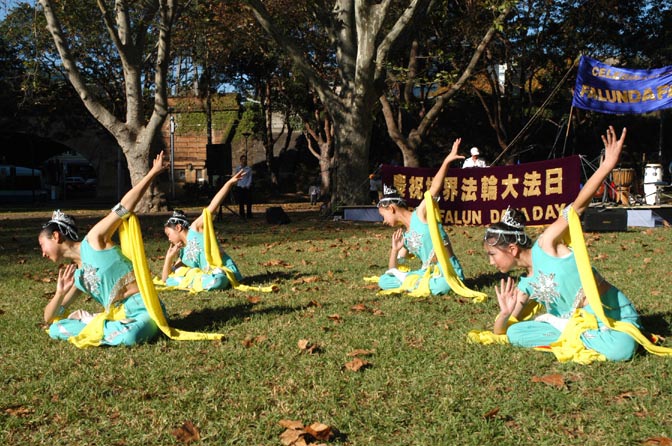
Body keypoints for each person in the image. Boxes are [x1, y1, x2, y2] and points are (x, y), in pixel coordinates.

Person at [480, 126, 672, 362]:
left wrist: (606, 167)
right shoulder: (526, 285)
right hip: (576, 325)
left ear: (512, 249)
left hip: (608, 314)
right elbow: (503, 332)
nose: (491, 262)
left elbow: (577, 208)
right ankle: (573, 331)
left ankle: (572, 331)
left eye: (492, 254)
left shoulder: (546, 243)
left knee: (621, 349)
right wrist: (504, 314)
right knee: (516, 333)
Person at [39, 152, 168, 347]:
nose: (42, 253)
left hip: (144, 309)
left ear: (56, 236)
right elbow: (49, 318)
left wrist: (152, 173)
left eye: (42, 245)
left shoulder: (94, 240)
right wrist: (59, 293)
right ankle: (105, 327)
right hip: (117, 317)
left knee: (130, 336)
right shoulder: (78, 277)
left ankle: (99, 327)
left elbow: (124, 207)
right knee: (56, 329)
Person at [376, 138, 483, 298]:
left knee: (440, 284)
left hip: (446, 271)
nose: (383, 221)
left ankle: (415, 283)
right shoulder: (405, 236)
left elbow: (434, 188)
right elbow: (392, 270)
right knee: (384, 281)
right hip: (427, 273)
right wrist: (394, 250)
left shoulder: (420, 213)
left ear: (391, 209)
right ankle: (416, 283)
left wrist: (447, 161)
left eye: (382, 215)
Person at [161, 170, 246, 292]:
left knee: (218, 278)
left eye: (169, 234)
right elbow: (165, 280)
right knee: (174, 279)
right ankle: (202, 281)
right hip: (208, 276)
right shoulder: (183, 254)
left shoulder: (195, 228)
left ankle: (208, 280)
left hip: (223, 270)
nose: (169, 239)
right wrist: (168, 258)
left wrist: (229, 183)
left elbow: (212, 207)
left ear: (178, 228)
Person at [234, 154, 253, 219]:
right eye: (243, 159)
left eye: (245, 159)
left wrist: (247, 185)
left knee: (248, 201)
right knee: (241, 201)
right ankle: (242, 214)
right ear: (240, 160)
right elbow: (236, 177)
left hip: (247, 187)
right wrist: (237, 184)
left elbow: (250, 177)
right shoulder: (238, 168)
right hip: (240, 186)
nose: (244, 161)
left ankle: (249, 214)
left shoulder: (249, 169)